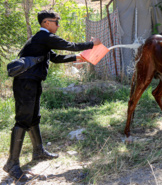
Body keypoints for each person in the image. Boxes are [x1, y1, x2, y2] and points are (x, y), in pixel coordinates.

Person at [3, 10, 101, 181]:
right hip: (26, 83)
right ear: (46, 23)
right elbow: (68, 44)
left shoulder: (41, 41)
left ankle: (38, 151)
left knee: (33, 117)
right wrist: (91, 45)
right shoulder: (43, 36)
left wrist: (77, 57)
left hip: (32, 82)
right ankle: (12, 164)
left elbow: (54, 58)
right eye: (56, 22)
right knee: (23, 120)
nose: (58, 25)